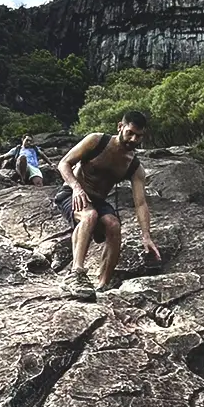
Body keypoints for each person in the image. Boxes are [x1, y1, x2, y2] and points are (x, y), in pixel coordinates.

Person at [53, 110, 160, 292]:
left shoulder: (134, 166)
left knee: (113, 224)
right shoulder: (97, 141)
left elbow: (140, 203)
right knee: (90, 215)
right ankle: (76, 274)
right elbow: (64, 163)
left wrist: (146, 236)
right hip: (72, 193)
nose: (133, 139)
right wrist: (76, 188)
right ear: (120, 127)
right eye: (130, 133)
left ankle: (102, 285)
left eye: (139, 136)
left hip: (98, 199)